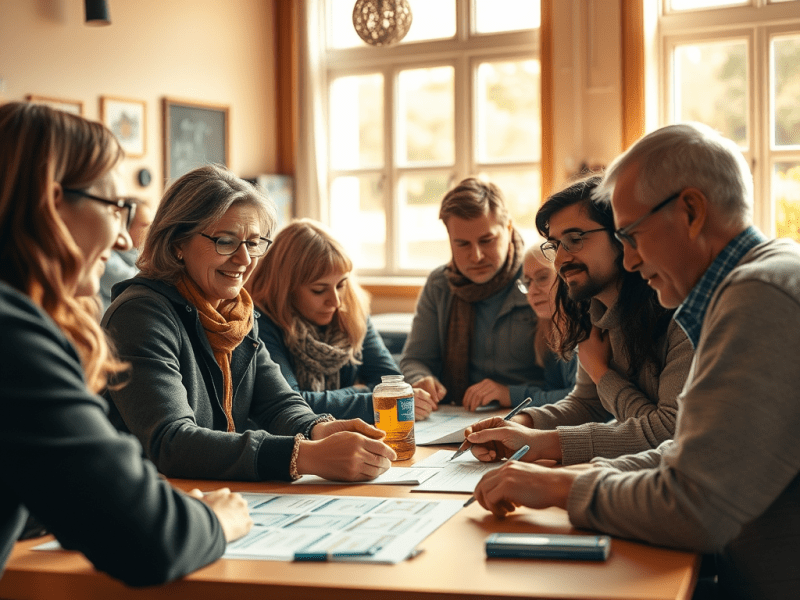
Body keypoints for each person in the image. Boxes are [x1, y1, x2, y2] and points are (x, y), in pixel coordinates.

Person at [471, 122, 800, 599]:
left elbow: (694, 507)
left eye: (631, 234)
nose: (628, 261)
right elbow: (683, 455)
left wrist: (557, 489)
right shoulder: (759, 279)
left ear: (690, 211)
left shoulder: (758, 296)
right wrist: (557, 470)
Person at [0, 102, 252, 586]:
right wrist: (215, 520)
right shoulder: (14, 336)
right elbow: (148, 541)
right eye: (117, 209)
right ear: (51, 204)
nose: (122, 239)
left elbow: (48, 495)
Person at [103, 165, 396, 483]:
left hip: (209, 491)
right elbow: (172, 442)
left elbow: (278, 403)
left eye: (254, 242)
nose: (244, 260)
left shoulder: (236, 312)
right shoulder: (140, 316)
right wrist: (305, 455)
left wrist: (319, 427)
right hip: (146, 500)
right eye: (226, 242)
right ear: (177, 243)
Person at [465, 175, 693, 465]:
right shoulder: (593, 311)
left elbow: (669, 433)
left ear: (621, 236)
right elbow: (587, 404)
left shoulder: (681, 315)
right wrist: (520, 423)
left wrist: (600, 373)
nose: (560, 259)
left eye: (575, 240)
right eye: (556, 245)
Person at [246, 219, 437, 421]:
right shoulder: (259, 323)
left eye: (340, 285)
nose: (335, 301)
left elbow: (390, 385)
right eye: (319, 290)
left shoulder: (352, 310)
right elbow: (289, 404)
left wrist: (358, 397)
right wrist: (366, 396)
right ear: (285, 289)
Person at [400, 177, 546, 410]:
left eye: (487, 240)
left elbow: (573, 392)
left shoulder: (543, 279)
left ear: (508, 228)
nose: (476, 256)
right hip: (456, 416)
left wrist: (510, 393)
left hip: (530, 415)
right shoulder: (439, 285)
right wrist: (420, 379)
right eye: (462, 244)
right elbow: (415, 359)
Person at [472, 242, 578, 413]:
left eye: (542, 277)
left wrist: (510, 395)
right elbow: (553, 391)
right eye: (528, 282)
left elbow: (580, 399)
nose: (532, 291)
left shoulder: (584, 331)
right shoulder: (550, 330)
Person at [99, 192, 155, 311]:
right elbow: (138, 283)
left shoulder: (136, 255)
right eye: (145, 225)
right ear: (127, 226)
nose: (150, 230)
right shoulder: (107, 259)